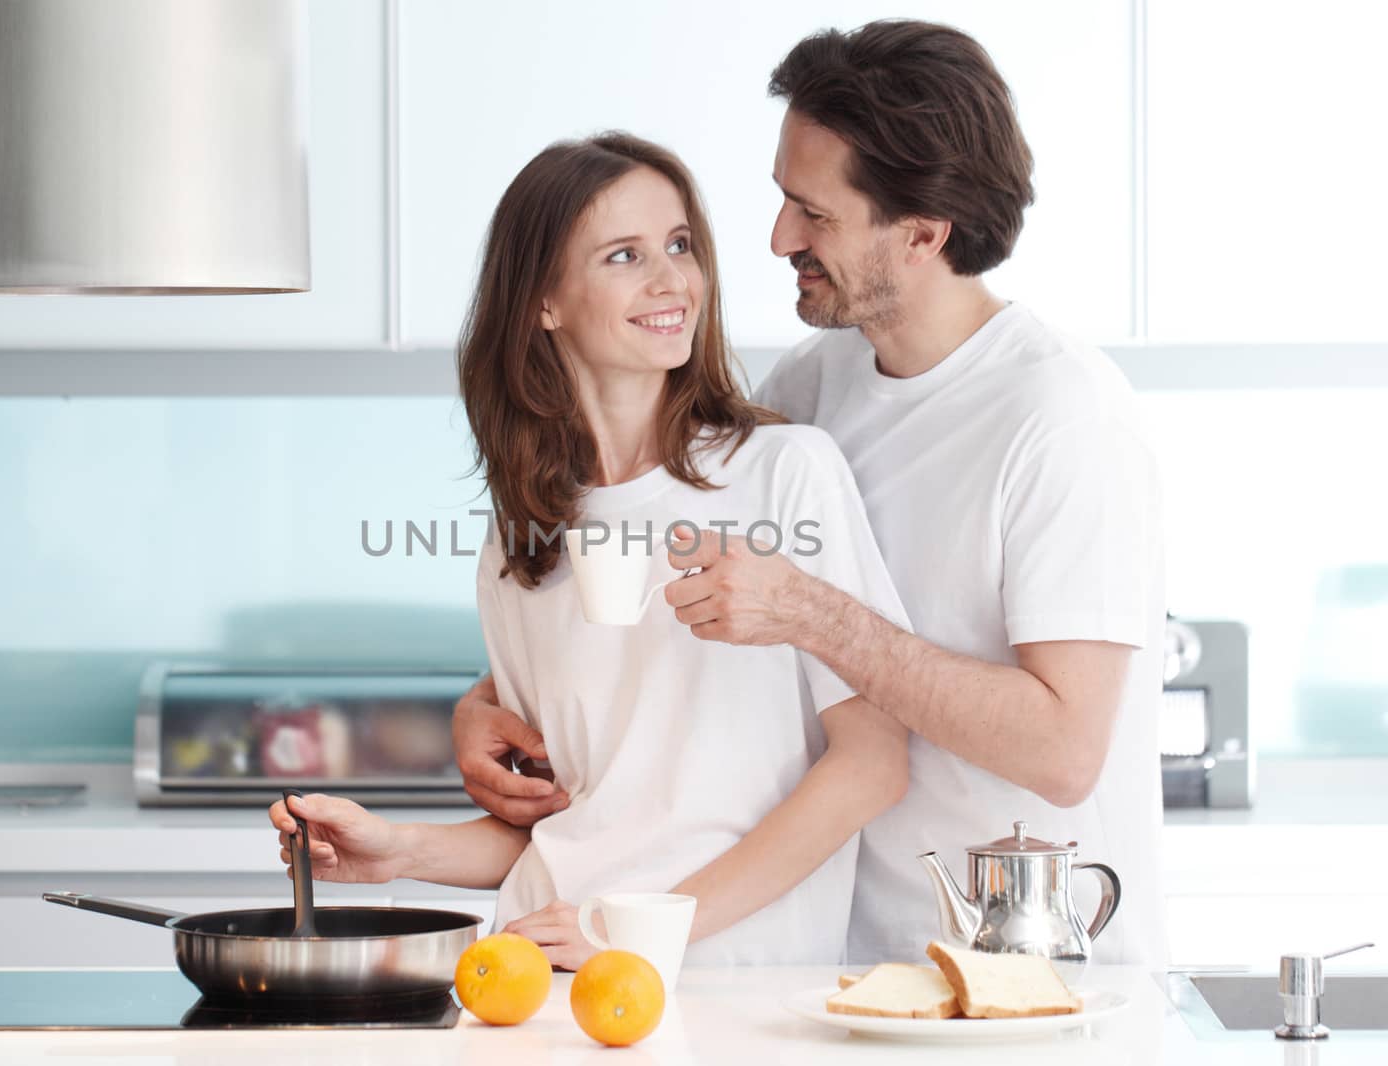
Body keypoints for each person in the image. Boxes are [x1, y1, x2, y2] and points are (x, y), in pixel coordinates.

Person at [453, 20, 1167, 967]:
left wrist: (813, 615)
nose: (779, 236)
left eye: (814, 214)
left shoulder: (1063, 417)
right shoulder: (814, 386)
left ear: (921, 234)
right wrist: (481, 704)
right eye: (783, 199)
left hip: (1036, 964)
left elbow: (1065, 752)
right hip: (854, 954)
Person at [271, 132, 913, 968]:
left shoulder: (785, 474)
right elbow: (576, 820)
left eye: (680, 245)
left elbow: (873, 765)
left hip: (731, 988)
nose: (671, 280)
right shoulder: (521, 544)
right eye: (624, 255)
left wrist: (646, 928)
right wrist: (400, 851)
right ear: (545, 300)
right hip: (540, 975)